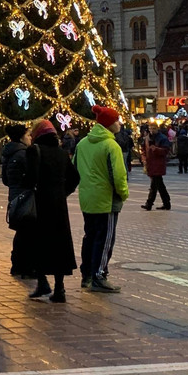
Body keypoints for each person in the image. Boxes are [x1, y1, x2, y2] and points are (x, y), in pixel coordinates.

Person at [24, 120, 79, 303]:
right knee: (59, 244)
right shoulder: (61, 153)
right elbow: (74, 177)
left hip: (40, 202)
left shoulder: (34, 150)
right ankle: (59, 288)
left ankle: (42, 282)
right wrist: (63, 192)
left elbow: (30, 178)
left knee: (38, 242)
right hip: (58, 204)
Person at [75, 105, 129, 293]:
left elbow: (74, 169)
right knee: (105, 239)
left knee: (90, 236)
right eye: (116, 120)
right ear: (108, 124)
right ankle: (99, 275)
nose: (119, 123)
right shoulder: (111, 145)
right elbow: (119, 176)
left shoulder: (82, 144)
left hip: (87, 199)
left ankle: (87, 275)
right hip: (107, 200)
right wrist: (123, 193)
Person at [0, 124, 34, 278]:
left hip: (14, 196)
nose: (30, 138)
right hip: (25, 197)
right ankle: (26, 267)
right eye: (28, 135)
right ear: (21, 137)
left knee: (21, 232)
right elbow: (31, 176)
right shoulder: (24, 154)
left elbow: (5, 180)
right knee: (28, 233)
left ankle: (17, 265)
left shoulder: (8, 153)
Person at [141, 126, 171, 211]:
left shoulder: (162, 138)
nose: (152, 130)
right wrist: (144, 159)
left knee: (154, 185)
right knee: (160, 185)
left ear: (157, 129)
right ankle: (166, 203)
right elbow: (144, 149)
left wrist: (156, 149)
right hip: (150, 164)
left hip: (158, 164)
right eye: (150, 128)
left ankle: (149, 203)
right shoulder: (147, 138)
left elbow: (166, 150)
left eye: (154, 128)